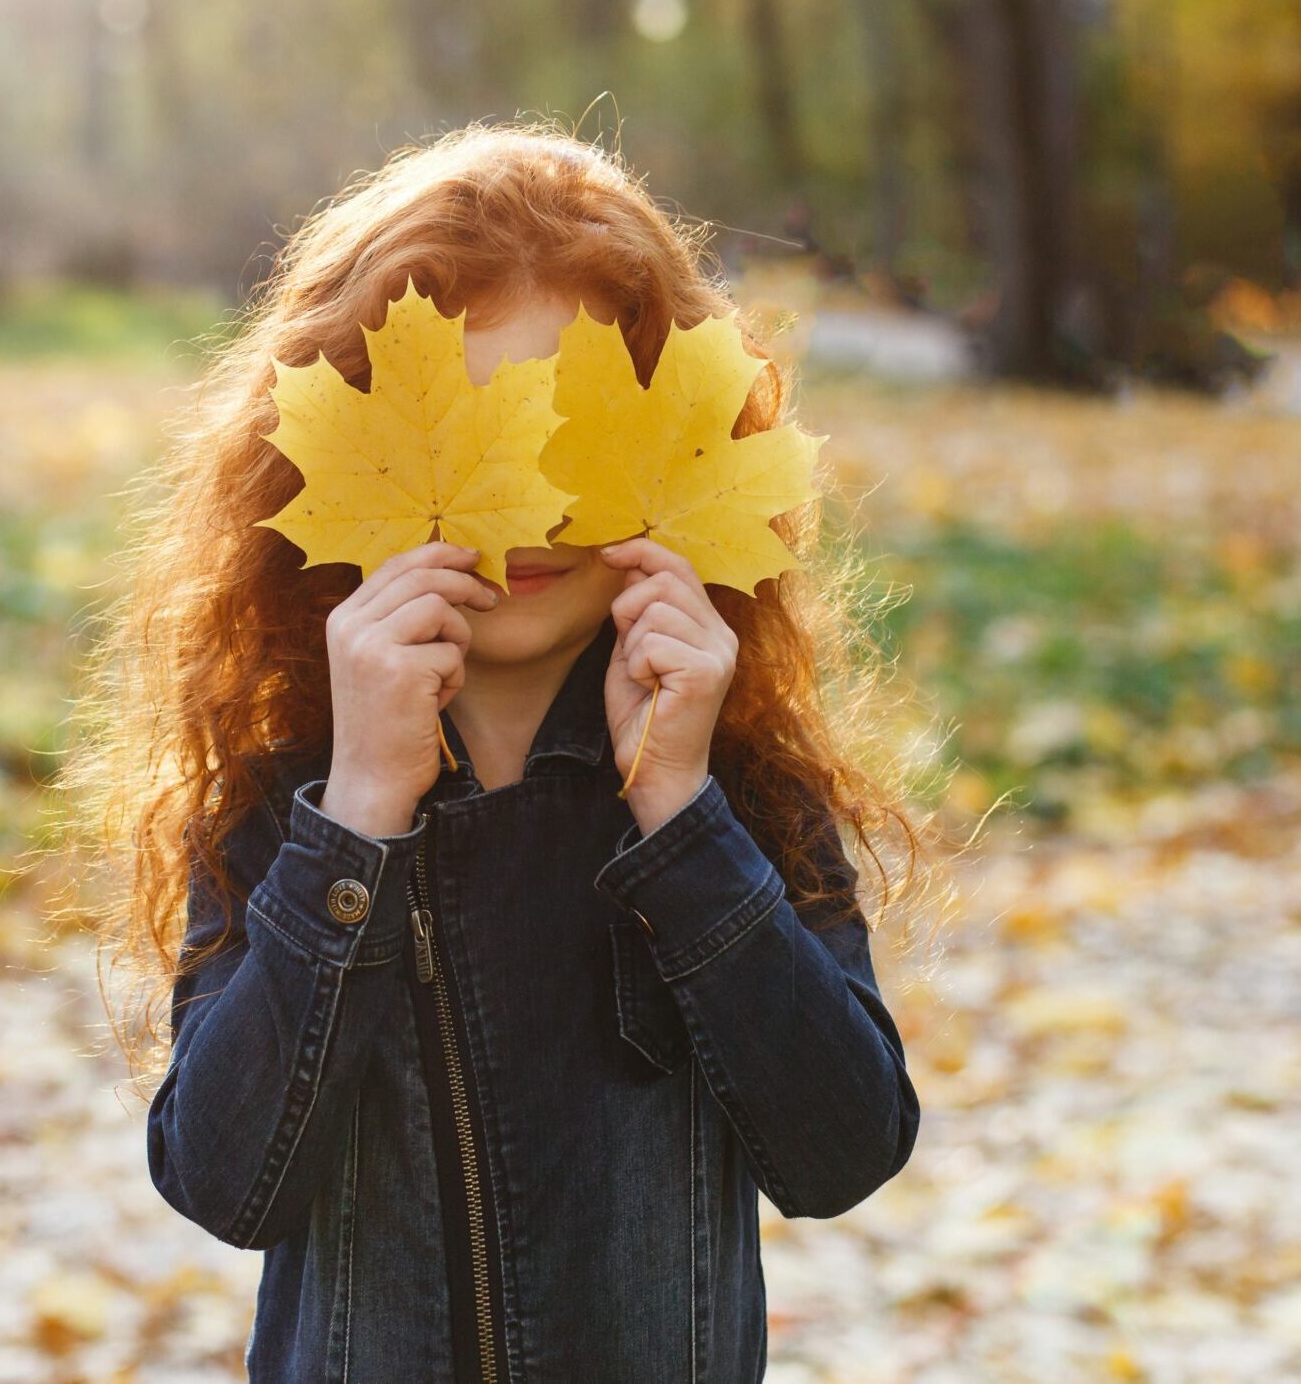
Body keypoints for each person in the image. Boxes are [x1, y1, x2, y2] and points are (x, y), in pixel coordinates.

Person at [69, 122, 925, 1381]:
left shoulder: (727, 782)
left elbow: (842, 1150)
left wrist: (682, 820)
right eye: (472, 440)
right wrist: (357, 815)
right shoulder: (293, 789)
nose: (522, 510)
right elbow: (224, 1181)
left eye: (574, 435)